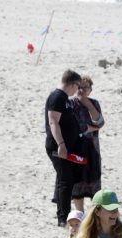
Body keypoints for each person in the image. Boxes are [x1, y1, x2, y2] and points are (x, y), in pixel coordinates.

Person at [45, 69, 85, 226]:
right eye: (78, 86)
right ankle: (63, 218)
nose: (78, 90)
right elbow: (53, 122)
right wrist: (61, 145)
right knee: (65, 180)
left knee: (65, 179)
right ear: (72, 84)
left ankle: (63, 215)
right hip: (57, 146)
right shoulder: (57, 97)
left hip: (66, 147)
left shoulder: (64, 98)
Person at [68, 75, 105, 210]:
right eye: (80, 87)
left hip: (92, 149)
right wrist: (90, 128)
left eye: (86, 87)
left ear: (90, 90)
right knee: (77, 184)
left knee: (94, 182)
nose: (82, 90)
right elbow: (75, 126)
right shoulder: (70, 103)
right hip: (76, 149)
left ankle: (94, 217)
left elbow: (100, 122)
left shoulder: (94, 103)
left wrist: (87, 103)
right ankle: (79, 213)